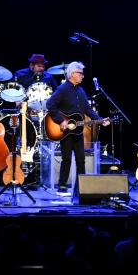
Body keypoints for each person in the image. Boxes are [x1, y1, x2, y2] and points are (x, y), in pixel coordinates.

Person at [45, 61, 106, 192]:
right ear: (72, 74)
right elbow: (50, 104)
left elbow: (88, 110)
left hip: (78, 131)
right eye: (81, 74)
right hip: (65, 131)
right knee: (66, 159)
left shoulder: (81, 91)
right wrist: (61, 120)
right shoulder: (63, 89)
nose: (83, 76)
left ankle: (81, 186)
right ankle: (62, 185)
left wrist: (100, 120)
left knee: (81, 159)